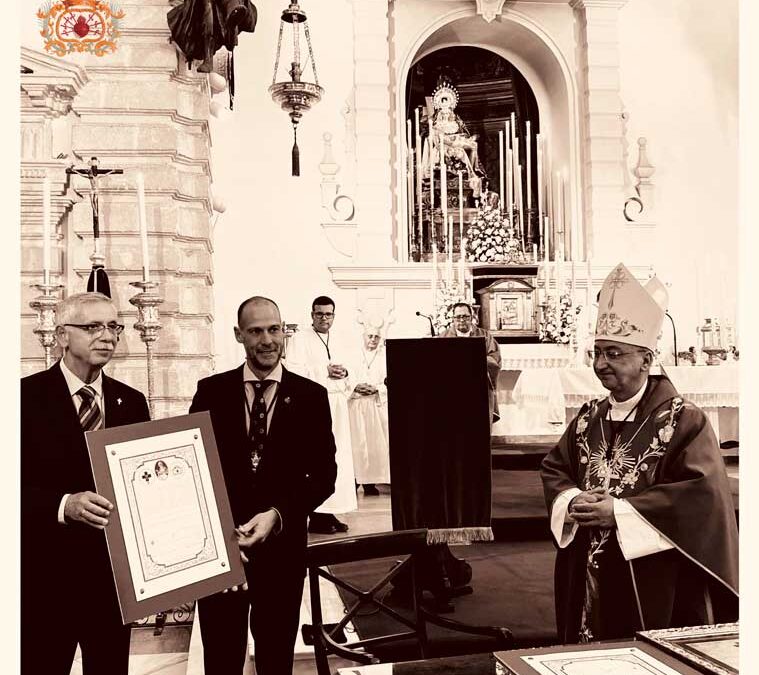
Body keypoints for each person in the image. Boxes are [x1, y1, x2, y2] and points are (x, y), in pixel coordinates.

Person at [541, 263, 738, 644]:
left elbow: (702, 496)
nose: (601, 364)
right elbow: (555, 468)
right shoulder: (589, 417)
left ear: (646, 360)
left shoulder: (685, 421)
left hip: (656, 576)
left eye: (614, 353)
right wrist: (572, 498)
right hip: (588, 570)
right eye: (597, 353)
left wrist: (618, 511)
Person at [189, 296, 337, 675]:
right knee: (221, 661)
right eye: (255, 331)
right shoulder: (211, 392)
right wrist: (222, 535)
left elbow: (324, 475)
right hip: (222, 554)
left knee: (275, 661)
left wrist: (278, 514)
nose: (267, 340)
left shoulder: (311, 397)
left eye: (274, 329)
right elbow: (194, 472)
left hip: (281, 555)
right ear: (239, 335)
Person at [21, 292, 151, 675]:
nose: (107, 336)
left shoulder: (133, 402)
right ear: (62, 335)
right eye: (93, 326)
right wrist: (63, 505)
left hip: (112, 584)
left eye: (114, 326)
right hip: (45, 580)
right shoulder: (21, 399)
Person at [286, 295, 357, 534]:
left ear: (334, 316)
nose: (324, 318)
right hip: (315, 406)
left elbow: (353, 367)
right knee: (319, 459)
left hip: (338, 402)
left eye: (328, 314)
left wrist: (346, 373)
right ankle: (317, 515)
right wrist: (323, 371)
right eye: (319, 314)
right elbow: (293, 371)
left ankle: (331, 512)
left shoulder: (339, 338)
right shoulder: (299, 338)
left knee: (340, 460)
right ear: (312, 315)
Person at [439, 302, 502, 425]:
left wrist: (475, 361)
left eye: (465, 316)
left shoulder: (485, 336)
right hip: (451, 389)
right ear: (453, 319)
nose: (461, 320)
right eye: (458, 317)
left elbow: (494, 359)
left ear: (471, 317)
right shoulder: (444, 337)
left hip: (478, 389)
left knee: (478, 425)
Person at [348, 323, 390, 495]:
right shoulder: (351, 355)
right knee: (357, 444)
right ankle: (355, 480)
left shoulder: (384, 356)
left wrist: (377, 388)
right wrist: (355, 386)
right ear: (363, 336)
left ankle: (370, 482)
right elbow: (345, 376)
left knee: (374, 445)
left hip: (375, 403)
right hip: (356, 404)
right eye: (370, 336)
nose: (373, 339)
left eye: (376, 337)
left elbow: (390, 380)